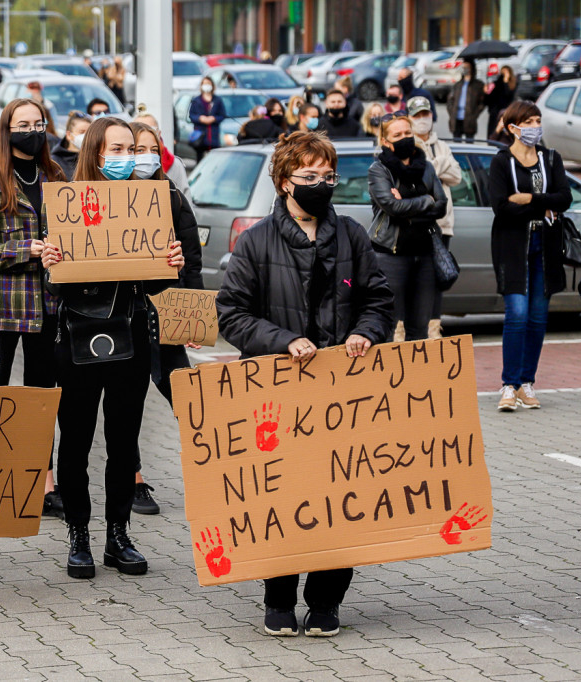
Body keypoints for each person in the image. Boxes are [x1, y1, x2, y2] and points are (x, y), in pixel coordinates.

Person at [215, 130, 394, 637]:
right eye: (309, 176)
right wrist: (283, 340)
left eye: (328, 176)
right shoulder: (255, 241)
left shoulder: (353, 235)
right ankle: (278, 595)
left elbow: (379, 300)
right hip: (278, 394)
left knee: (340, 495)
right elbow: (232, 315)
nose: (320, 184)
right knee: (283, 496)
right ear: (283, 181)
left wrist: (364, 332)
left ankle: (325, 599)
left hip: (342, 395)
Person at [39, 117, 184, 579]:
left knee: (124, 441)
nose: (127, 158)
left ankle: (118, 535)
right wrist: (51, 264)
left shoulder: (152, 203)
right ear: (95, 153)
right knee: (77, 440)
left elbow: (158, 282)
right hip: (79, 335)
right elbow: (55, 289)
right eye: (116, 150)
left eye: (132, 149)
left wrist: (170, 265)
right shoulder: (67, 202)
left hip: (132, 334)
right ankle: (78, 535)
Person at [0, 98, 67, 515]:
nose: (32, 129)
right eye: (22, 123)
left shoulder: (56, 175)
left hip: (49, 306)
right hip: (6, 309)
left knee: (42, 397)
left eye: (38, 122)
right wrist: (24, 249)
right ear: (6, 130)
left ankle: (45, 483)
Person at [129, 120, 202, 515]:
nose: (145, 157)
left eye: (151, 149)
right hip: (123, 318)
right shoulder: (107, 198)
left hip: (165, 311)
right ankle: (134, 478)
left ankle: (208, 469)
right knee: (130, 401)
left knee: (185, 396)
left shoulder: (172, 195)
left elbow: (191, 258)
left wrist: (191, 315)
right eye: (136, 148)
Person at [487, 100, 572, 412]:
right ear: (513, 127)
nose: (535, 126)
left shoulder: (550, 159)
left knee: (537, 317)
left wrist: (531, 198)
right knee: (517, 314)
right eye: (529, 121)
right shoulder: (501, 162)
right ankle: (509, 385)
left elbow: (564, 197)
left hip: (545, 245)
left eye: (538, 120)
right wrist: (543, 204)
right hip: (512, 247)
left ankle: (526, 383)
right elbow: (501, 207)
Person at [368, 113, 448, 342]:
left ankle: (417, 377)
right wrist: (426, 200)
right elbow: (392, 207)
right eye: (397, 135)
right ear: (385, 141)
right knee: (387, 325)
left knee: (419, 329)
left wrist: (408, 204)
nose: (405, 138)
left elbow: (441, 206)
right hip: (391, 255)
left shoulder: (426, 167)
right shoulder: (379, 169)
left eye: (407, 133)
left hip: (425, 254)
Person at [408, 96, 462, 340]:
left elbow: (457, 176)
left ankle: (433, 332)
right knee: (414, 281)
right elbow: (416, 176)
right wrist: (439, 166)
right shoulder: (407, 144)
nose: (422, 119)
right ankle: (411, 332)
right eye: (417, 115)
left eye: (425, 114)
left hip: (442, 225)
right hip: (417, 223)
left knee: (438, 280)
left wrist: (431, 165)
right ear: (409, 118)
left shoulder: (442, 144)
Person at [133, 109, 189, 195]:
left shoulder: (175, 164)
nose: (146, 134)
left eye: (154, 150)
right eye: (140, 150)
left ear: (158, 134)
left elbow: (185, 200)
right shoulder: (125, 168)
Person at [188, 77, 226, 162]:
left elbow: (222, 115)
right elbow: (191, 115)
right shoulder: (196, 100)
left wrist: (214, 118)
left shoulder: (217, 100)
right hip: (200, 135)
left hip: (213, 135)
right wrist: (200, 118)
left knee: (214, 159)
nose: (206, 86)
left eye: (208, 84)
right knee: (200, 158)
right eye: (204, 84)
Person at [447, 61, 484, 142]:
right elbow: (450, 100)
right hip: (456, 118)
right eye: (463, 67)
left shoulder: (478, 85)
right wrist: (452, 112)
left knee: (469, 144)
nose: (465, 69)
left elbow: (482, 102)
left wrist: (475, 114)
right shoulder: (458, 84)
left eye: (467, 67)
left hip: (469, 118)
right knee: (456, 143)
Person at [50, 111, 91, 180]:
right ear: (69, 135)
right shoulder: (55, 161)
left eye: (89, 133)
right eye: (81, 132)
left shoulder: (93, 159)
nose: (86, 136)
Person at [485, 65, 518, 140]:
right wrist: (486, 92)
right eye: (502, 72)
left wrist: (506, 82)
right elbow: (489, 100)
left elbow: (508, 95)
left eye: (506, 72)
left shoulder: (512, 85)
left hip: (505, 113)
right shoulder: (496, 84)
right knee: (493, 134)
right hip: (495, 113)